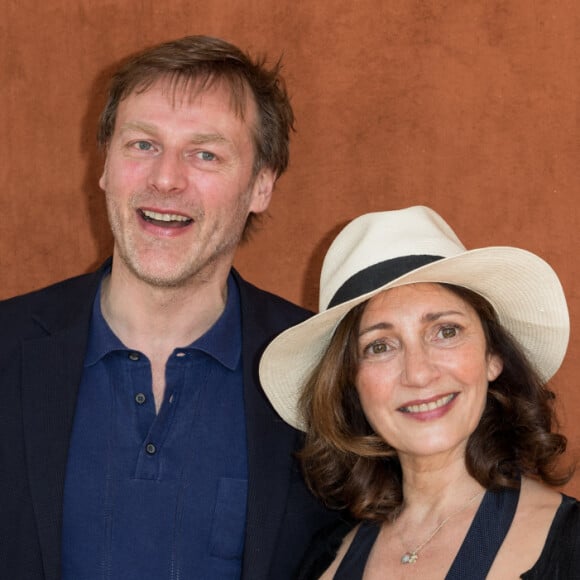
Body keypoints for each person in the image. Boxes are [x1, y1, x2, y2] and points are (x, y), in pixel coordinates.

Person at [0, 35, 339, 580]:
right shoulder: (7, 346)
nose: (165, 178)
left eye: (205, 153)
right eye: (142, 145)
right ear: (106, 165)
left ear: (261, 186)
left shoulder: (324, 376)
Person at [259, 205, 580, 579]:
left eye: (446, 331)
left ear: (493, 356)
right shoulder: (322, 560)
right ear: (351, 383)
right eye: (380, 346)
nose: (418, 373)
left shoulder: (570, 547)